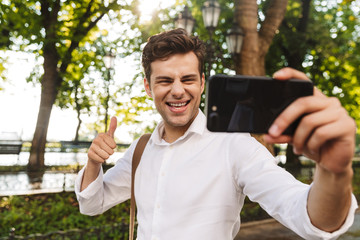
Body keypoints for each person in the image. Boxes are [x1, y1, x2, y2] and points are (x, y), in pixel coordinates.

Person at [75, 28, 358, 240]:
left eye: (187, 79)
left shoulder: (233, 145)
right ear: (148, 87)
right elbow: (92, 203)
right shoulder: (141, 149)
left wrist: (334, 171)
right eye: (164, 80)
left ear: (201, 83)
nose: (177, 90)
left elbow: (314, 219)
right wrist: (93, 162)